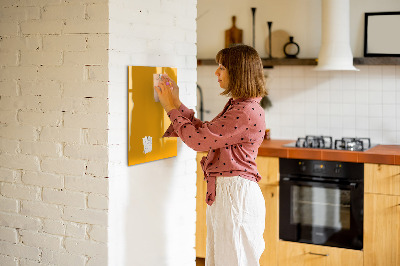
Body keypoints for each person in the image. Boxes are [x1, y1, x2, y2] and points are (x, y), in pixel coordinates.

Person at [155, 44, 267, 266]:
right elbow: (206, 133)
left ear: (238, 72)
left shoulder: (244, 111)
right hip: (230, 194)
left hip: (235, 197)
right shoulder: (240, 106)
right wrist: (177, 104)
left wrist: (170, 107)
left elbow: (198, 141)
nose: (217, 73)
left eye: (222, 67)